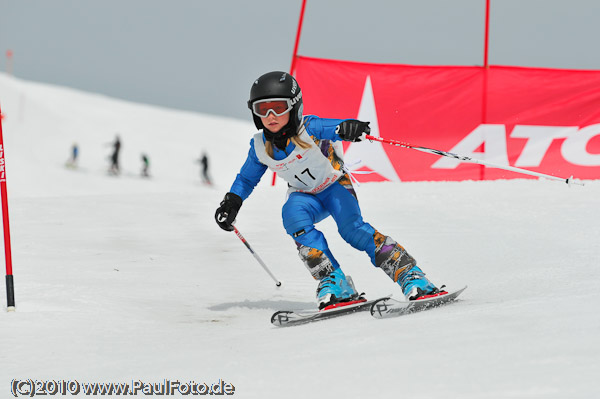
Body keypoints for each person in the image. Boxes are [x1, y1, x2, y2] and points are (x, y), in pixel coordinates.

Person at [214, 71, 441, 310]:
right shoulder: (260, 147)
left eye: (278, 108)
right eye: (262, 109)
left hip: (334, 188)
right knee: (292, 215)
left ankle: (410, 274)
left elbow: (333, 128)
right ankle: (334, 283)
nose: (270, 116)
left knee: (352, 231)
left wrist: (348, 128)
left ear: (294, 107)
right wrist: (232, 202)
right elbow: (246, 179)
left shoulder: (308, 128)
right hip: (305, 197)